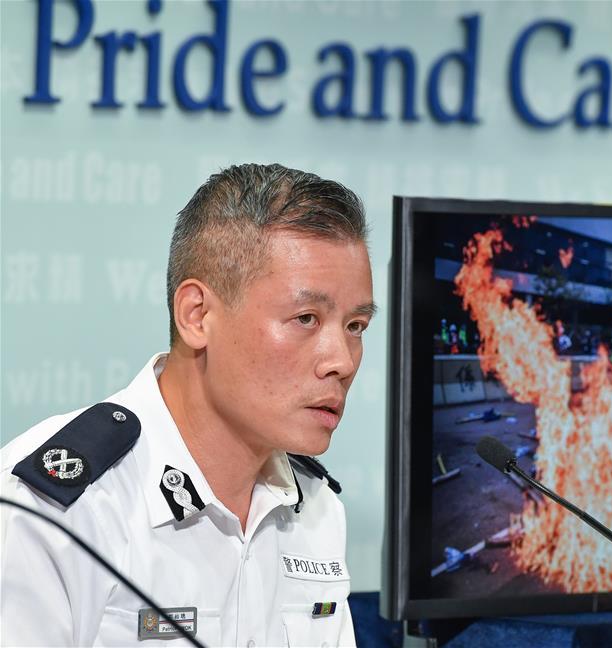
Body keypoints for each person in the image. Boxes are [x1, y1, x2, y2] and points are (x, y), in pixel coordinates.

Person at [0, 164, 375, 647]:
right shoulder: (49, 510)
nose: (342, 362)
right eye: (306, 318)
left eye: (356, 326)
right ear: (197, 316)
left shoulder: (317, 510)